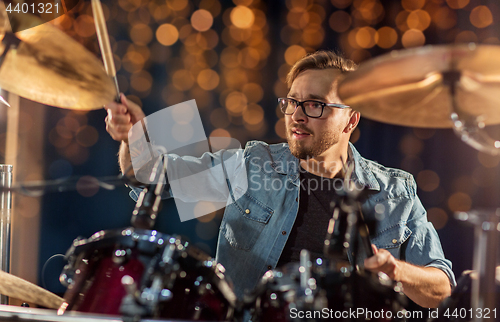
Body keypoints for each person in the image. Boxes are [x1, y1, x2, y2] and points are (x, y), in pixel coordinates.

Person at [105, 51, 455, 309]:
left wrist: (397, 271)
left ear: (350, 121)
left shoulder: (395, 191)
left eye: (315, 105)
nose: (297, 116)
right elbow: (150, 177)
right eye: (292, 102)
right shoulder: (253, 163)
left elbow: (440, 289)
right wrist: (132, 138)